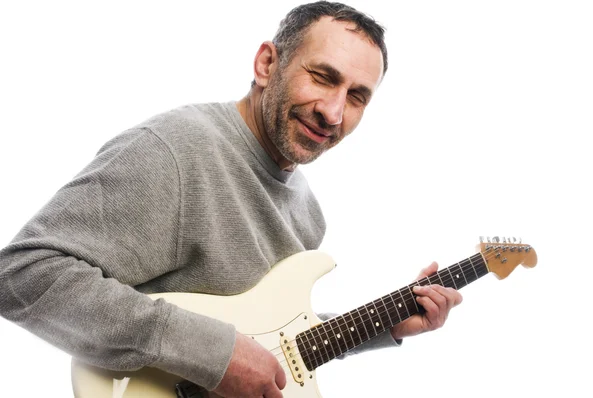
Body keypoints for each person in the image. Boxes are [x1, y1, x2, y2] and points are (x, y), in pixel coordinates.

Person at [0, 1, 462, 397]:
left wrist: (389, 325)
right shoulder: (177, 150)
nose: (333, 111)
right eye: (322, 77)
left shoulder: (308, 212)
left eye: (357, 96)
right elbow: (22, 276)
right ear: (266, 64)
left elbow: (274, 334)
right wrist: (215, 354)